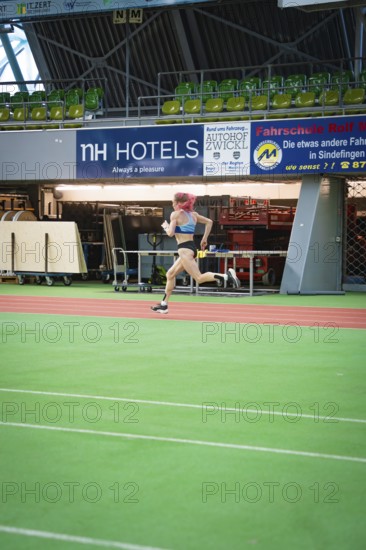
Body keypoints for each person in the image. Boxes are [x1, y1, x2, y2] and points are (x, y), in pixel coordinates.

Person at [151, 192, 240, 314]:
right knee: (170, 274)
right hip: (191, 248)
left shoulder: (175, 215)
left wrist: (165, 226)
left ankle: (227, 276)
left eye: (173, 203)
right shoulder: (193, 215)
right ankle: (164, 304)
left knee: (198, 278)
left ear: (180, 203)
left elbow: (170, 233)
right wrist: (204, 239)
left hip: (184, 250)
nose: (172, 205)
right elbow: (209, 222)